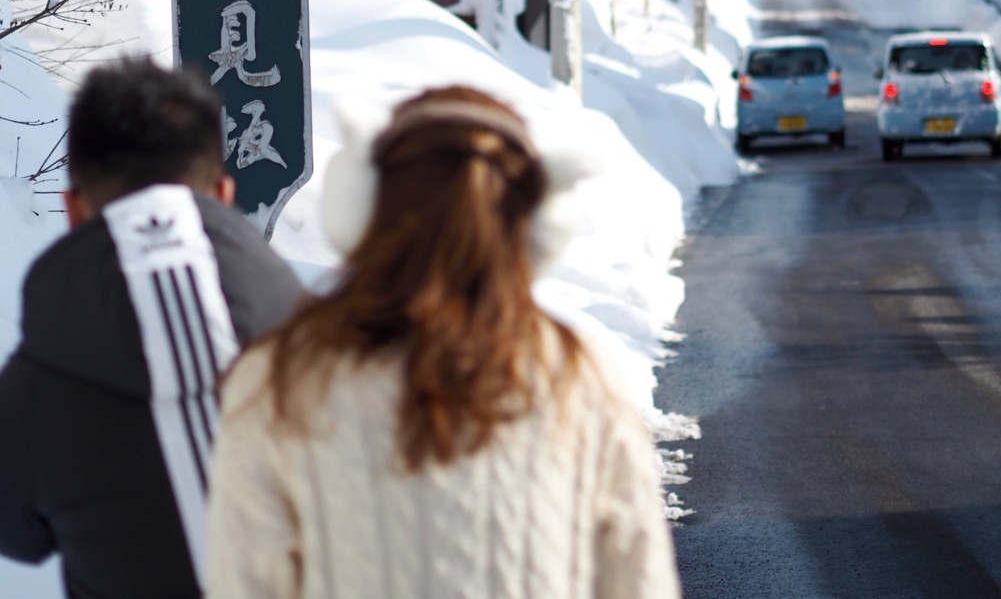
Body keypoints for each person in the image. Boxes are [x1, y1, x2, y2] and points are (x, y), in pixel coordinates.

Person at [207, 85, 682, 599]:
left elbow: (246, 584)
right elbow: (639, 582)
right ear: (535, 224)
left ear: (364, 208)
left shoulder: (278, 378)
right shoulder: (579, 373)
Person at [0, 57, 304, 599]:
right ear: (225, 194)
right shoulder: (320, 345)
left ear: (72, 209)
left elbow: (17, 536)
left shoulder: (34, 387)